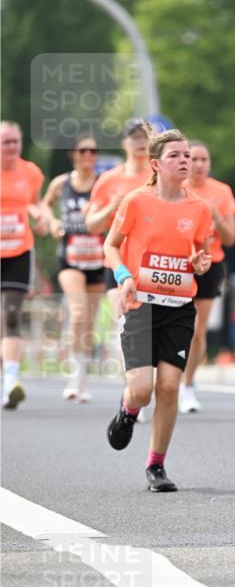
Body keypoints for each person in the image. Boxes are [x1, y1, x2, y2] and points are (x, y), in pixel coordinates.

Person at [103, 129, 213, 492]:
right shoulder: (136, 202)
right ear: (155, 164)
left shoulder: (198, 207)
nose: (185, 161)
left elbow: (201, 254)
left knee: (169, 387)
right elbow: (111, 246)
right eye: (176, 156)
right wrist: (123, 277)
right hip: (141, 305)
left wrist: (200, 263)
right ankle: (128, 409)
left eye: (187, 154)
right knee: (141, 390)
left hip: (179, 306)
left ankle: (156, 466)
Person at [42, 134, 105, 402]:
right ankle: (73, 374)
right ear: (73, 154)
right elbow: (44, 205)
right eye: (83, 151)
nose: (88, 156)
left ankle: (82, 379)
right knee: (78, 312)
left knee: (89, 321)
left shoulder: (103, 184)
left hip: (98, 258)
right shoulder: (62, 183)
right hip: (70, 256)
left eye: (92, 151)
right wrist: (53, 222)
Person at [180, 140, 235, 412]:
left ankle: (187, 384)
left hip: (210, 263)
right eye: (194, 159)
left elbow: (230, 238)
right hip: (177, 264)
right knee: (172, 326)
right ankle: (166, 378)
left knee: (196, 330)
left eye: (204, 159)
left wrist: (215, 213)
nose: (199, 164)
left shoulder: (221, 191)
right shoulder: (175, 190)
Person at [0, 121, 48, 409]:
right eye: (6, 142)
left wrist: (41, 215)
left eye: (16, 141)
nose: (12, 147)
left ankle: (11, 382)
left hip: (19, 250)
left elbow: (35, 202)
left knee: (12, 316)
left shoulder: (30, 172)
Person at [86, 119, 152, 315]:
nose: (141, 142)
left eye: (145, 137)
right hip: (118, 262)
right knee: (124, 321)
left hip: (151, 263)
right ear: (125, 142)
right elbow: (91, 225)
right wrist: (110, 208)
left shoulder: (159, 176)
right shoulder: (108, 179)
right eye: (135, 137)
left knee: (151, 327)